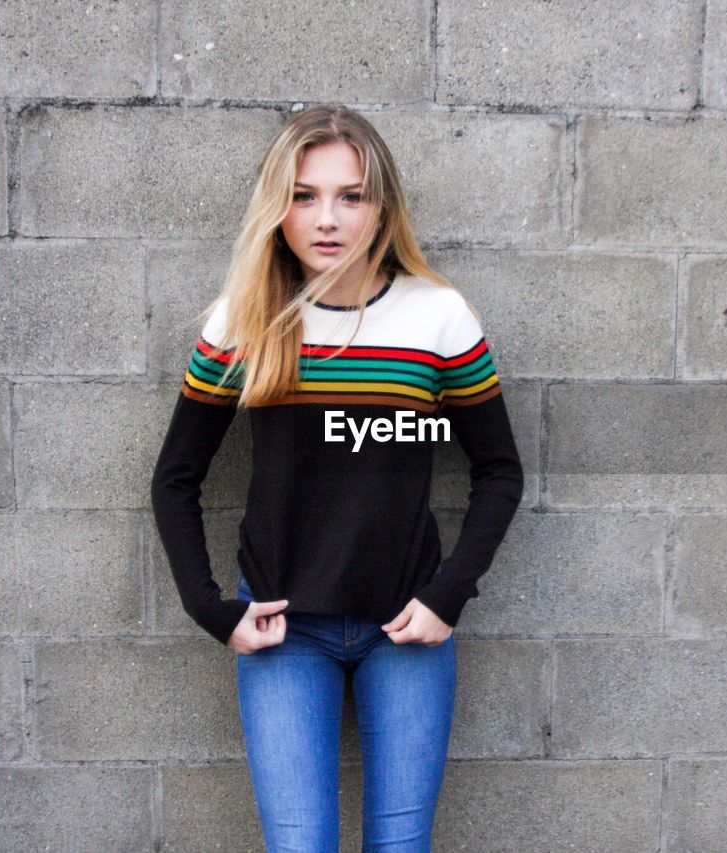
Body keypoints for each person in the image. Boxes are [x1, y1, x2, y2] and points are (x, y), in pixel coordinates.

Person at [149, 103, 524, 851]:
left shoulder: (438, 317)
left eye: (351, 195)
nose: (328, 218)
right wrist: (211, 608)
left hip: (406, 632)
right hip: (284, 633)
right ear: (277, 209)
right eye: (304, 195)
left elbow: (500, 470)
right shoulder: (243, 321)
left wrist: (447, 593)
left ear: (382, 207)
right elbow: (175, 477)